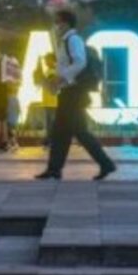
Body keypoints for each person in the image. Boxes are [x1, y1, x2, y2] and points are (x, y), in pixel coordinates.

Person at [35, 10, 117, 181]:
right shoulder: (65, 41)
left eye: (57, 23)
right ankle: (55, 169)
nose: (55, 26)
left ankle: (104, 163)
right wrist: (58, 81)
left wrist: (62, 77)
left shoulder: (73, 40)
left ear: (65, 23)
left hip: (74, 92)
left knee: (74, 131)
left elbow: (80, 61)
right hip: (69, 91)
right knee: (62, 132)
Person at [35, 53, 59, 148]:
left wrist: (39, 68)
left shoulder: (53, 72)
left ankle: (51, 141)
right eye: (45, 61)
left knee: (51, 122)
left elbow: (48, 83)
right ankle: (49, 140)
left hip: (52, 102)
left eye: (47, 60)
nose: (46, 62)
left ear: (53, 61)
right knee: (49, 123)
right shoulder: (49, 71)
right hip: (48, 101)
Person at [3, 53, 22, 151]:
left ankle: (13, 142)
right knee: (12, 123)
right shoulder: (18, 76)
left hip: (10, 99)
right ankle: (13, 142)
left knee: (10, 123)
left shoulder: (10, 78)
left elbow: (9, 86)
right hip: (14, 99)